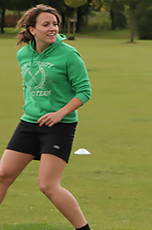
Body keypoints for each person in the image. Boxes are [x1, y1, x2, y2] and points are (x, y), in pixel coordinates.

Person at [0, 4, 92, 230]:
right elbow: (27, 86)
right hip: (29, 122)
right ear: (32, 29)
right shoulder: (23, 54)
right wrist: (33, 108)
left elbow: (84, 91)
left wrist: (59, 113)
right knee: (2, 174)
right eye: (46, 25)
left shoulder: (69, 54)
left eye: (55, 24)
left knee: (48, 185)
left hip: (60, 126)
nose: (53, 28)